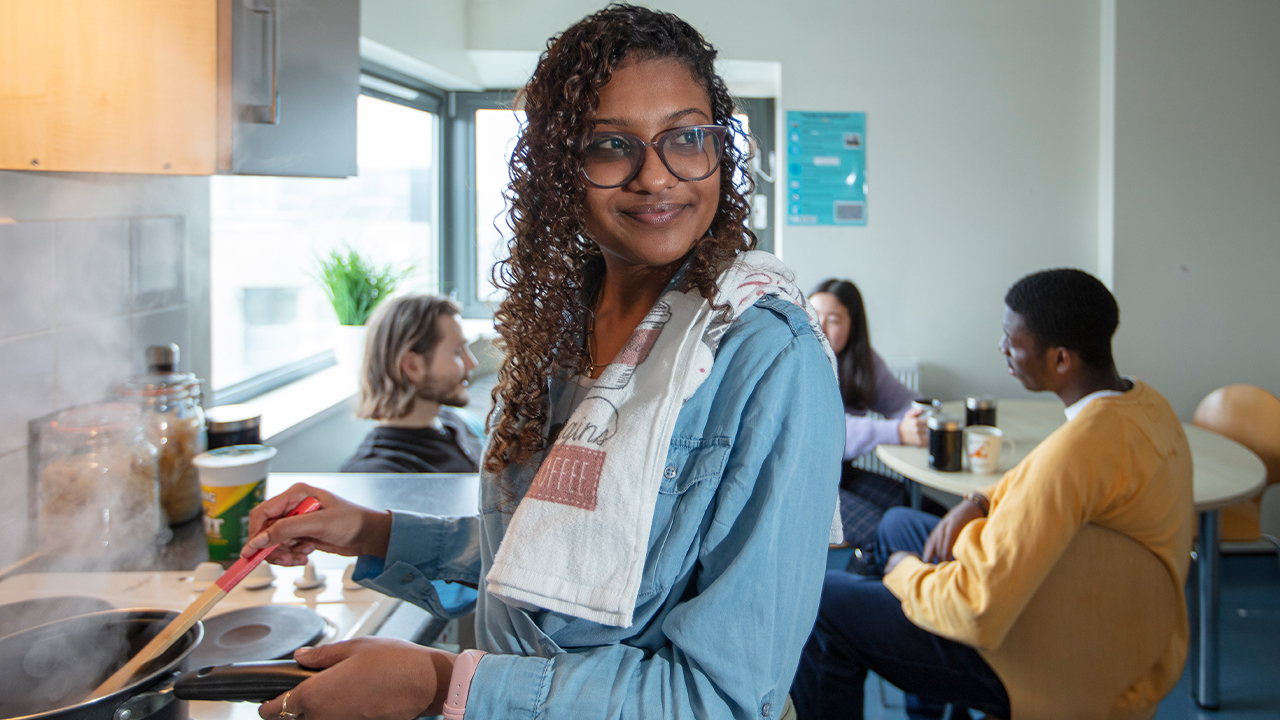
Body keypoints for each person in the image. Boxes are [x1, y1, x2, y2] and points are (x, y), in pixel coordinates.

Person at [243, 6, 844, 720]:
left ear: (720, 148)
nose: (657, 178)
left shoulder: (767, 358)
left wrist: (441, 684)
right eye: (610, 146)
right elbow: (552, 560)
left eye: (686, 138)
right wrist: (374, 534)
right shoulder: (560, 329)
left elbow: (724, 696)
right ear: (560, 169)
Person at [792, 268, 1195, 720]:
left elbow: (976, 611)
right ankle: (928, 707)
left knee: (825, 601)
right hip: (1099, 616)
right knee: (898, 522)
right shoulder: (1142, 406)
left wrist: (904, 575)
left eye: (1013, 340)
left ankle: (919, 667)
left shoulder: (1077, 450)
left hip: (1040, 657)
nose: (1003, 348)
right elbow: (1050, 474)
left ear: (1061, 360)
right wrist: (979, 501)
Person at [810, 279, 942, 565]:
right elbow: (827, 430)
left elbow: (905, 401)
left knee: (929, 514)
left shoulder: (862, 362)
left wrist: (917, 419)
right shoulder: (797, 361)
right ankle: (862, 597)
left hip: (843, 475)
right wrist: (897, 431)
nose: (820, 325)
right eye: (813, 314)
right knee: (885, 534)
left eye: (833, 320)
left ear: (852, 326)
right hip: (807, 483)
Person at [340, 294, 482, 474]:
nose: (472, 363)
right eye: (457, 352)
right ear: (412, 366)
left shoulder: (455, 424)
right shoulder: (379, 473)